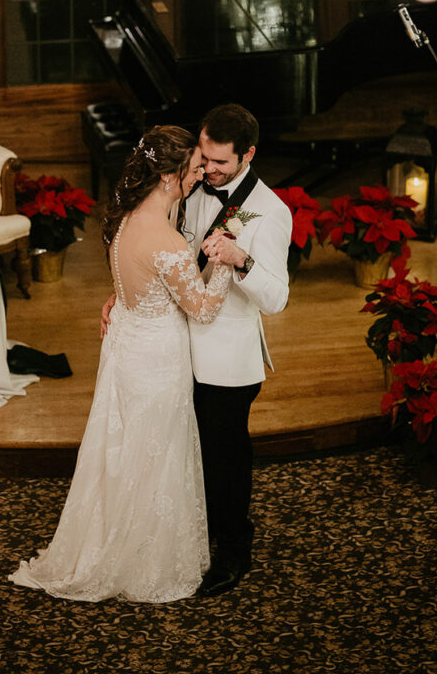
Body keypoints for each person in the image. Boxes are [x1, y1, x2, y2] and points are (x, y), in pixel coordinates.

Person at [9, 125, 234, 603]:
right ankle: (144, 562)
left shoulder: (126, 220)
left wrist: (117, 297)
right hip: (156, 357)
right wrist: (226, 263)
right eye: (194, 169)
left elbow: (134, 280)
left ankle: (114, 543)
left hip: (127, 345)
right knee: (158, 455)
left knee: (123, 452)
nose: (200, 176)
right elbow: (204, 309)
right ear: (170, 175)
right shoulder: (169, 243)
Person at [186, 104, 292, 597]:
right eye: (204, 158)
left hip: (228, 358)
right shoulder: (191, 187)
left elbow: (276, 298)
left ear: (248, 154)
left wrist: (241, 258)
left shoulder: (270, 211)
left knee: (225, 460)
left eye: (220, 164)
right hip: (177, 346)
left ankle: (232, 551)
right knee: (187, 450)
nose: (208, 170)